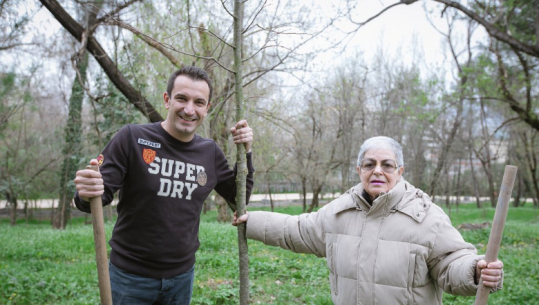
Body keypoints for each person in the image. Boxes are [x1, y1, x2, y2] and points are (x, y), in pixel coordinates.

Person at [233, 136, 503, 305]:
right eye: (369, 164)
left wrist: (475, 270)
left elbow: (451, 262)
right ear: (359, 170)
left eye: (387, 164)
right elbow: (298, 230)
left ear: (399, 171)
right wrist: (251, 220)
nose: (378, 171)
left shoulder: (427, 216)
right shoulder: (340, 211)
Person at [74, 66, 255, 305]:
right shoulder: (131, 138)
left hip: (182, 278)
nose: (189, 109)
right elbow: (95, 199)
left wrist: (247, 152)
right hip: (130, 278)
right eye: (182, 98)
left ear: (207, 108)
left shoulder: (209, 152)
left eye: (199, 102)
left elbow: (238, 198)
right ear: (167, 100)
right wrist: (85, 192)